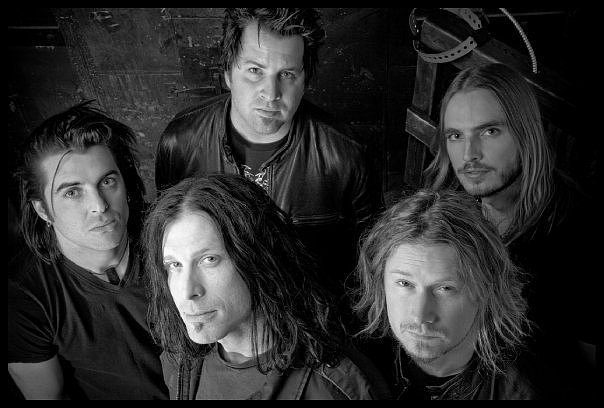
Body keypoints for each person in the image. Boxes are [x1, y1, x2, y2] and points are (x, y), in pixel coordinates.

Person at [154, 8, 382, 306]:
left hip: (308, 317)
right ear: (227, 72)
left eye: (286, 74)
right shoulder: (181, 142)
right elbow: (168, 244)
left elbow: (370, 266)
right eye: (255, 71)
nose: (271, 93)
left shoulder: (345, 155)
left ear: (305, 80)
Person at [424, 62, 596, 398]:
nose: (469, 155)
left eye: (489, 131)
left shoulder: (579, 235)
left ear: (525, 133)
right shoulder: (449, 205)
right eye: (456, 135)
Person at [142, 174, 391, 400]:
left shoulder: (334, 387)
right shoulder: (180, 363)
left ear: (257, 260)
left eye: (209, 260)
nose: (187, 291)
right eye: (174, 265)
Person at [7, 102, 169, 399]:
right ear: (42, 210)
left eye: (107, 181)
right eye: (72, 192)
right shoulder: (25, 294)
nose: (100, 205)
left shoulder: (171, 237)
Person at [354, 188, 536, 400]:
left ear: (487, 290)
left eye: (445, 288)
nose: (420, 316)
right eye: (405, 284)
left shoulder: (523, 393)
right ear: (381, 284)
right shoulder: (353, 372)